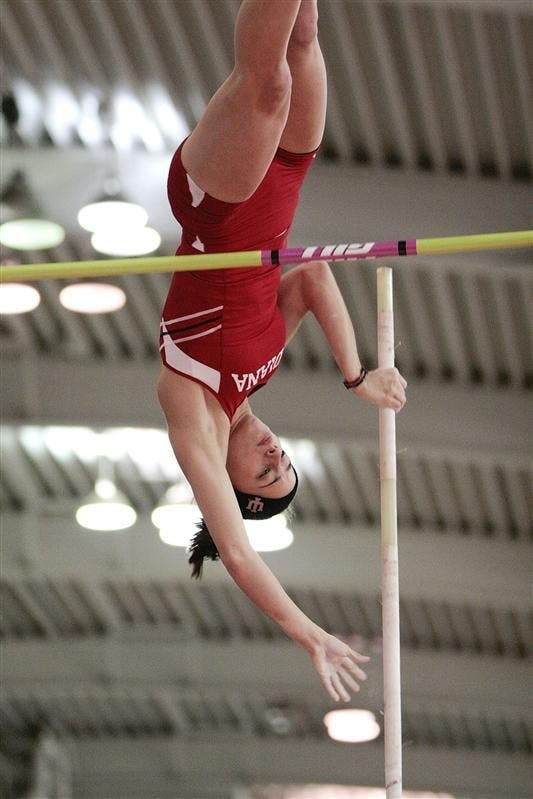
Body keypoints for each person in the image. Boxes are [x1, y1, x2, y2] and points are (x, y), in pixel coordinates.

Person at [157, 0, 407, 703]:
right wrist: (354, 376)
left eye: (264, 475)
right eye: (286, 462)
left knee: (267, 85)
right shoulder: (261, 364)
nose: (274, 455)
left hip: (220, 206)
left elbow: (235, 550)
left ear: (233, 486)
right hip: (283, 184)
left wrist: (305, 630)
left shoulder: (192, 409)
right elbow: (311, 278)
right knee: (304, 35)